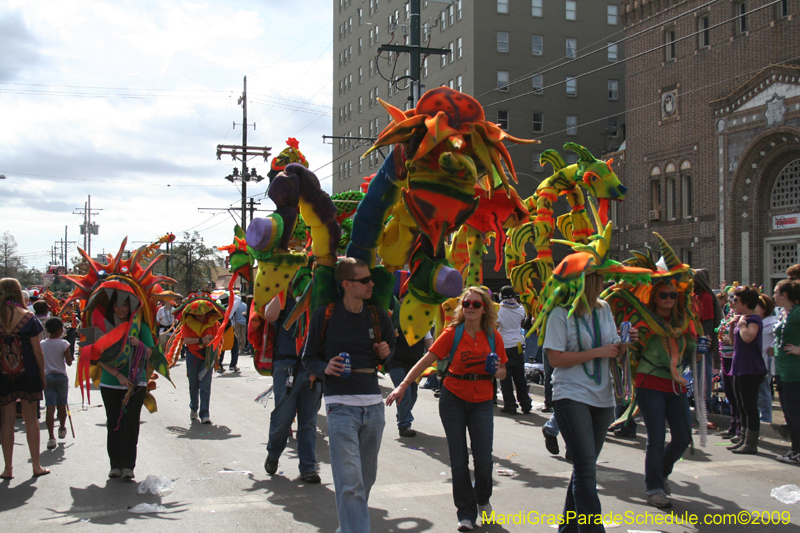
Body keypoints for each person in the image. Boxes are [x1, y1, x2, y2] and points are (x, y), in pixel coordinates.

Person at [388, 286, 506, 532]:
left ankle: (482, 500)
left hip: (482, 400)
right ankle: (465, 512)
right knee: (459, 458)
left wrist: (497, 370)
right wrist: (403, 385)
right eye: (466, 304)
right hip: (453, 399)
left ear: (485, 308)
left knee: (484, 459)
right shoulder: (453, 333)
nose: (470, 308)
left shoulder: (494, 336)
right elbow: (426, 360)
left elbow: (504, 372)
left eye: (476, 304)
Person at [302, 257, 394, 533]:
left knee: (364, 480)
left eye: (370, 279)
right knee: (350, 482)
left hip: (374, 407)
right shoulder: (325, 314)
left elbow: (393, 359)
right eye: (364, 280)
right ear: (346, 284)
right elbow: (309, 358)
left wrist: (386, 355)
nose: (371, 284)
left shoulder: (378, 315)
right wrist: (325, 367)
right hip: (340, 406)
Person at [544, 272, 629, 530]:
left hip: (603, 398)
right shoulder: (560, 313)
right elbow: (555, 358)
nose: (605, 284)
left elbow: (613, 347)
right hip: (571, 395)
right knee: (585, 468)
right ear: (589, 282)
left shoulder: (603, 309)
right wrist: (597, 352)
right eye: (601, 279)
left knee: (585, 466)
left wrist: (625, 343)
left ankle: (567, 528)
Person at [632, 280, 698, 508]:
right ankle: (654, 488)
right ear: (655, 298)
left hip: (676, 386)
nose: (669, 299)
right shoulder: (644, 322)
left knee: (683, 437)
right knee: (656, 438)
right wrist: (630, 338)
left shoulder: (683, 322)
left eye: (673, 295)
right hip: (650, 383)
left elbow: (693, 355)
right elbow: (632, 349)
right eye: (663, 295)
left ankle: (661, 473)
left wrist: (699, 345)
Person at [263, 285, 323, 483]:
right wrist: (281, 286)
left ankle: (308, 467)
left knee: (308, 422)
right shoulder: (282, 299)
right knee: (283, 418)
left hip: (313, 367)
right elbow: (270, 315)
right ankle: (273, 454)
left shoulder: (316, 298)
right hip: (286, 365)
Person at [99, 291, 155, 480]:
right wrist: (118, 376)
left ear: (131, 307)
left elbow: (149, 353)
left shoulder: (141, 326)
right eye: (116, 305)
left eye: (124, 305)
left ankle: (128, 467)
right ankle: (115, 465)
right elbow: (99, 357)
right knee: (114, 423)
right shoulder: (105, 327)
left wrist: (139, 344)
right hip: (110, 385)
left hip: (136, 383)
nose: (121, 309)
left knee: (131, 425)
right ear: (111, 307)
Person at [0, 278, 50, 479]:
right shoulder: (28, 317)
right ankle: (36, 465)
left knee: (7, 421)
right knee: (31, 419)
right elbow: (37, 351)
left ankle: (8, 468)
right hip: (27, 373)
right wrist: (41, 374)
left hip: (3, 374)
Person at [726, 286, 766, 454]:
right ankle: (741, 437)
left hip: (751, 368)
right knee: (740, 405)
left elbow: (748, 337)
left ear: (746, 302)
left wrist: (742, 325)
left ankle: (751, 442)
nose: (733, 303)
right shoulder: (742, 318)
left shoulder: (754, 320)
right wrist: (732, 325)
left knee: (750, 406)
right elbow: (733, 342)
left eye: (737, 300)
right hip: (739, 366)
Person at [386, 294, 433, 437]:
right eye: (402, 303)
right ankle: (404, 424)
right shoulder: (393, 322)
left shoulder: (422, 323)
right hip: (396, 363)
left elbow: (429, 343)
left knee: (412, 395)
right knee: (404, 394)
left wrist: (434, 361)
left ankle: (402, 414)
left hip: (415, 365)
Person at [179, 298, 223, 424]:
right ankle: (193, 408)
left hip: (207, 358)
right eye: (197, 313)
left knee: (205, 386)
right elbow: (186, 340)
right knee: (194, 385)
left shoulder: (214, 324)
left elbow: (219, 339)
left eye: (202, 312)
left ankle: (205, 413)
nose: (200, 315)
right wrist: (200, 340)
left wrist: (212, 340)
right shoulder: (187, 324)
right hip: (193, 356)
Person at [773, 279, 800, 464]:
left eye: (775, 292)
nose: (773, 295)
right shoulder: (784, 313)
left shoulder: (798, 312)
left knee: (795, 411)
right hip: (782, 370)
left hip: (794, 371)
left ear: (785, 295)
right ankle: (795, 448)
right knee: (788, 412)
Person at [41, 317, 73, 450]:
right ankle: (61, 428)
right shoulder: (64, 344)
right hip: (61, 377)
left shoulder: (42, 344)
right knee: (61, 405)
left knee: (50, 407)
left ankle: (51, 438)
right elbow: (69, 362)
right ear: (60, 330)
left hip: (47, 376)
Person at [497, 286, 530, 414]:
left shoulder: (499, 309)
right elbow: (521, 322)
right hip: (518, 344)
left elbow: (496, 324)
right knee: (519, 376)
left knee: (505, 376)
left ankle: (510, 404)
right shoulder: (521, 308)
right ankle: (525, 403)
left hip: (504, 345)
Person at [756, 295, 777, 423]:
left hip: (765, 361)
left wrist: (773, 347)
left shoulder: (772, 322)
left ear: (764, 308)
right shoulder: (759, 321)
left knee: (763, 392)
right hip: (757, 360)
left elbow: (779, 337)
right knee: (759, 392)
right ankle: (761, 416)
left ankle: (765, 419)